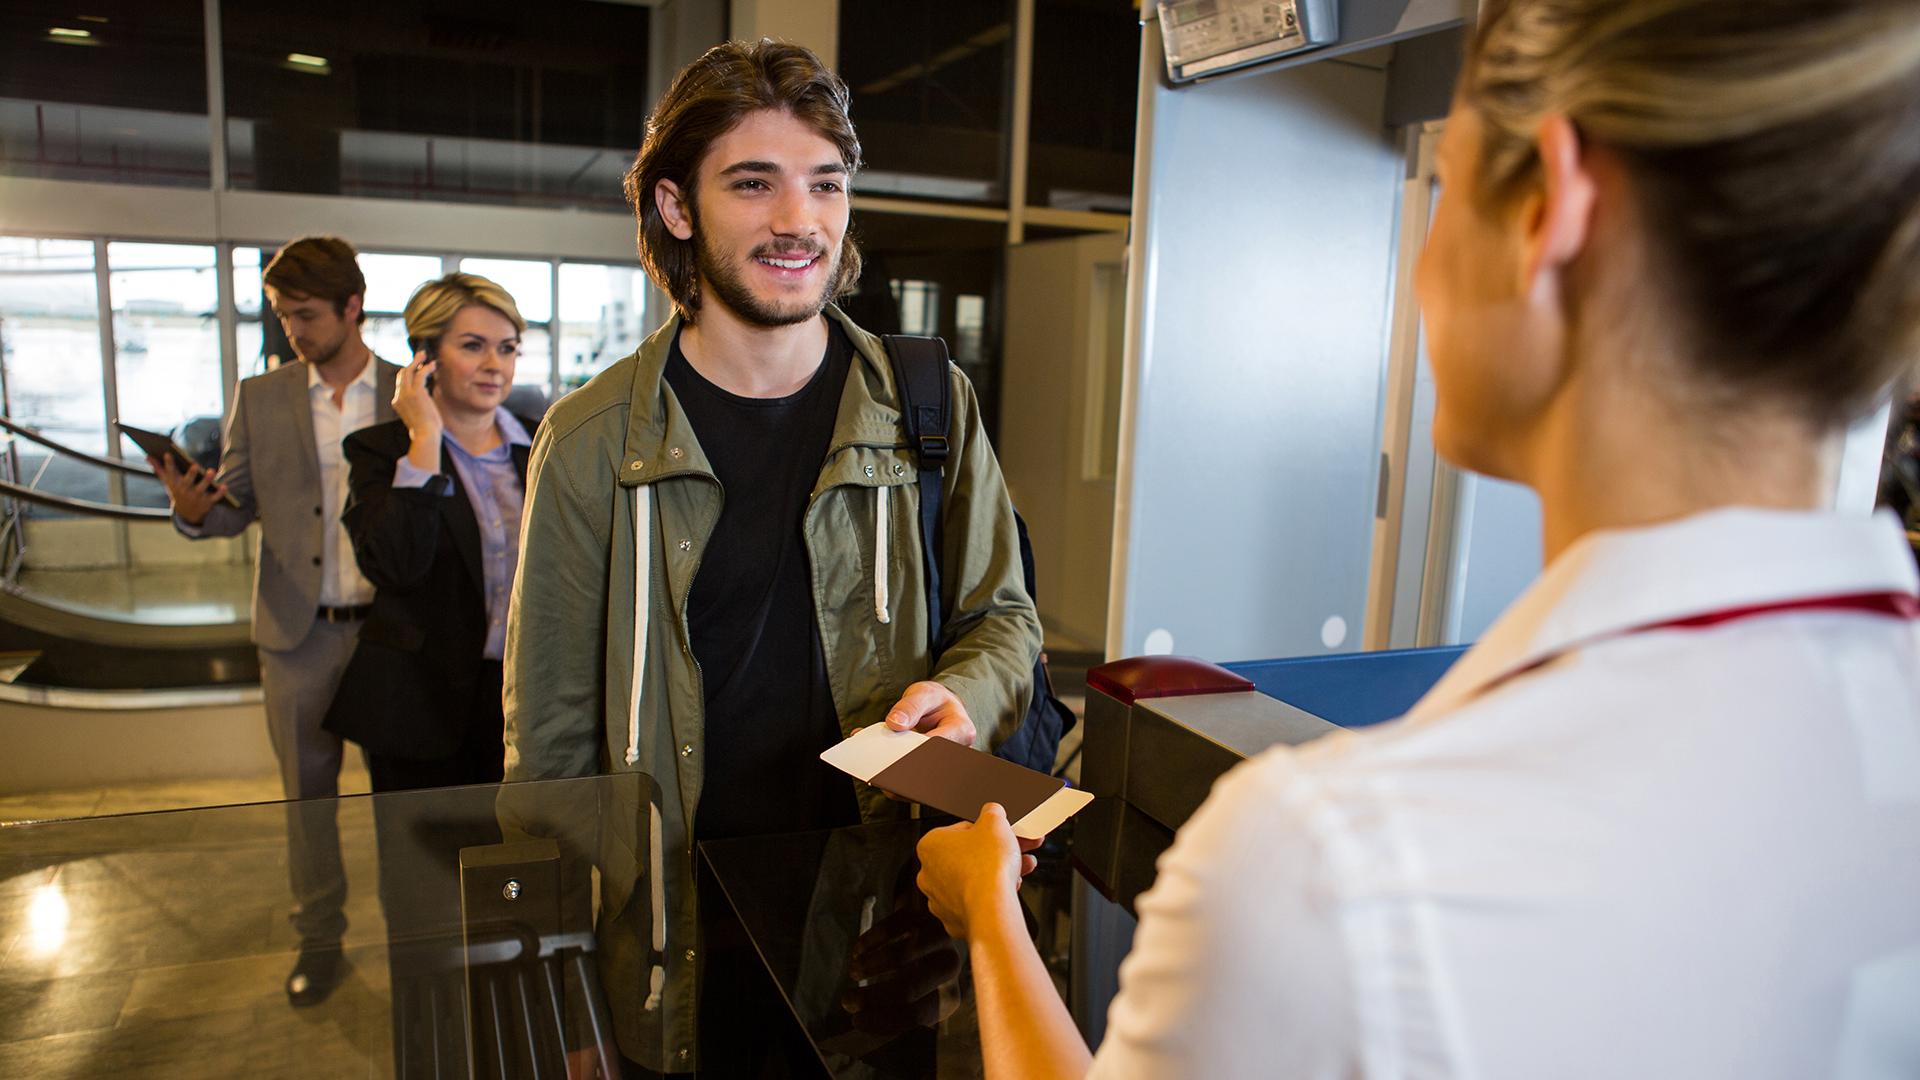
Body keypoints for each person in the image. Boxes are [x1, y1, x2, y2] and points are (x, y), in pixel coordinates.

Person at [916, 0, 1920, 1076]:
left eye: (1449, 191)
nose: (1428, 264)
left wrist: (990, 922)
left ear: (1552, 212)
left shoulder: (1336, 865)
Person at [501, 39, 1043, 1074]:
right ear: (675, 208)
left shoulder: (925, 403)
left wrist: (966, 695)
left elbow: (1003, 618)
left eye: (825, 184)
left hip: (882, 921)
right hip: (674, 931)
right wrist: (570, 1005)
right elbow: (552, 753)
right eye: (753, 184)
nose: (800, 221)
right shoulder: (592, 440)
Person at [152, 235, 401, 1007]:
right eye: (283, 316)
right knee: (308, 800)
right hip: (297, 635)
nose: (292, 330)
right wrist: (194, 513)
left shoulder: (408, 389)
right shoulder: (258, 398)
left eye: (304, 315)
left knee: (403, 799)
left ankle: (415, 938)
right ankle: (319, 938)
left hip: (392, 636)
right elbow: (235, 510)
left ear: (351, 308)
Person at [325, 272, 537, 791]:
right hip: (419, 706)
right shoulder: (380, 449)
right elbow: (395, 564)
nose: (495, 365)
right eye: (473, 346)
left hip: (525, 699)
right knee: (420, 871)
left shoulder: (541, 445)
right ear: (425, 357)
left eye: (507, 349)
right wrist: (424, 437)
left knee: (518, 865)